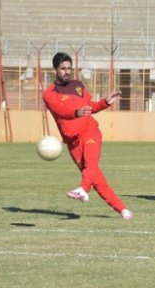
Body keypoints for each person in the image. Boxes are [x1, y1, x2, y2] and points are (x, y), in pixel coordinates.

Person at [43, 52, 133, 220]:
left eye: (69, 68)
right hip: (72, 142)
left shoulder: (78, 85)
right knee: (96, 178)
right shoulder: (49, 93)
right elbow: (60, 111)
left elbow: (90, 107)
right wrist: (76, 111)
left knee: (91, 164)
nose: (67, 72)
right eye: (63, 69)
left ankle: (83, 189)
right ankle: (123, 210)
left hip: (89, 130)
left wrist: (105, 102)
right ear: (55, 69)